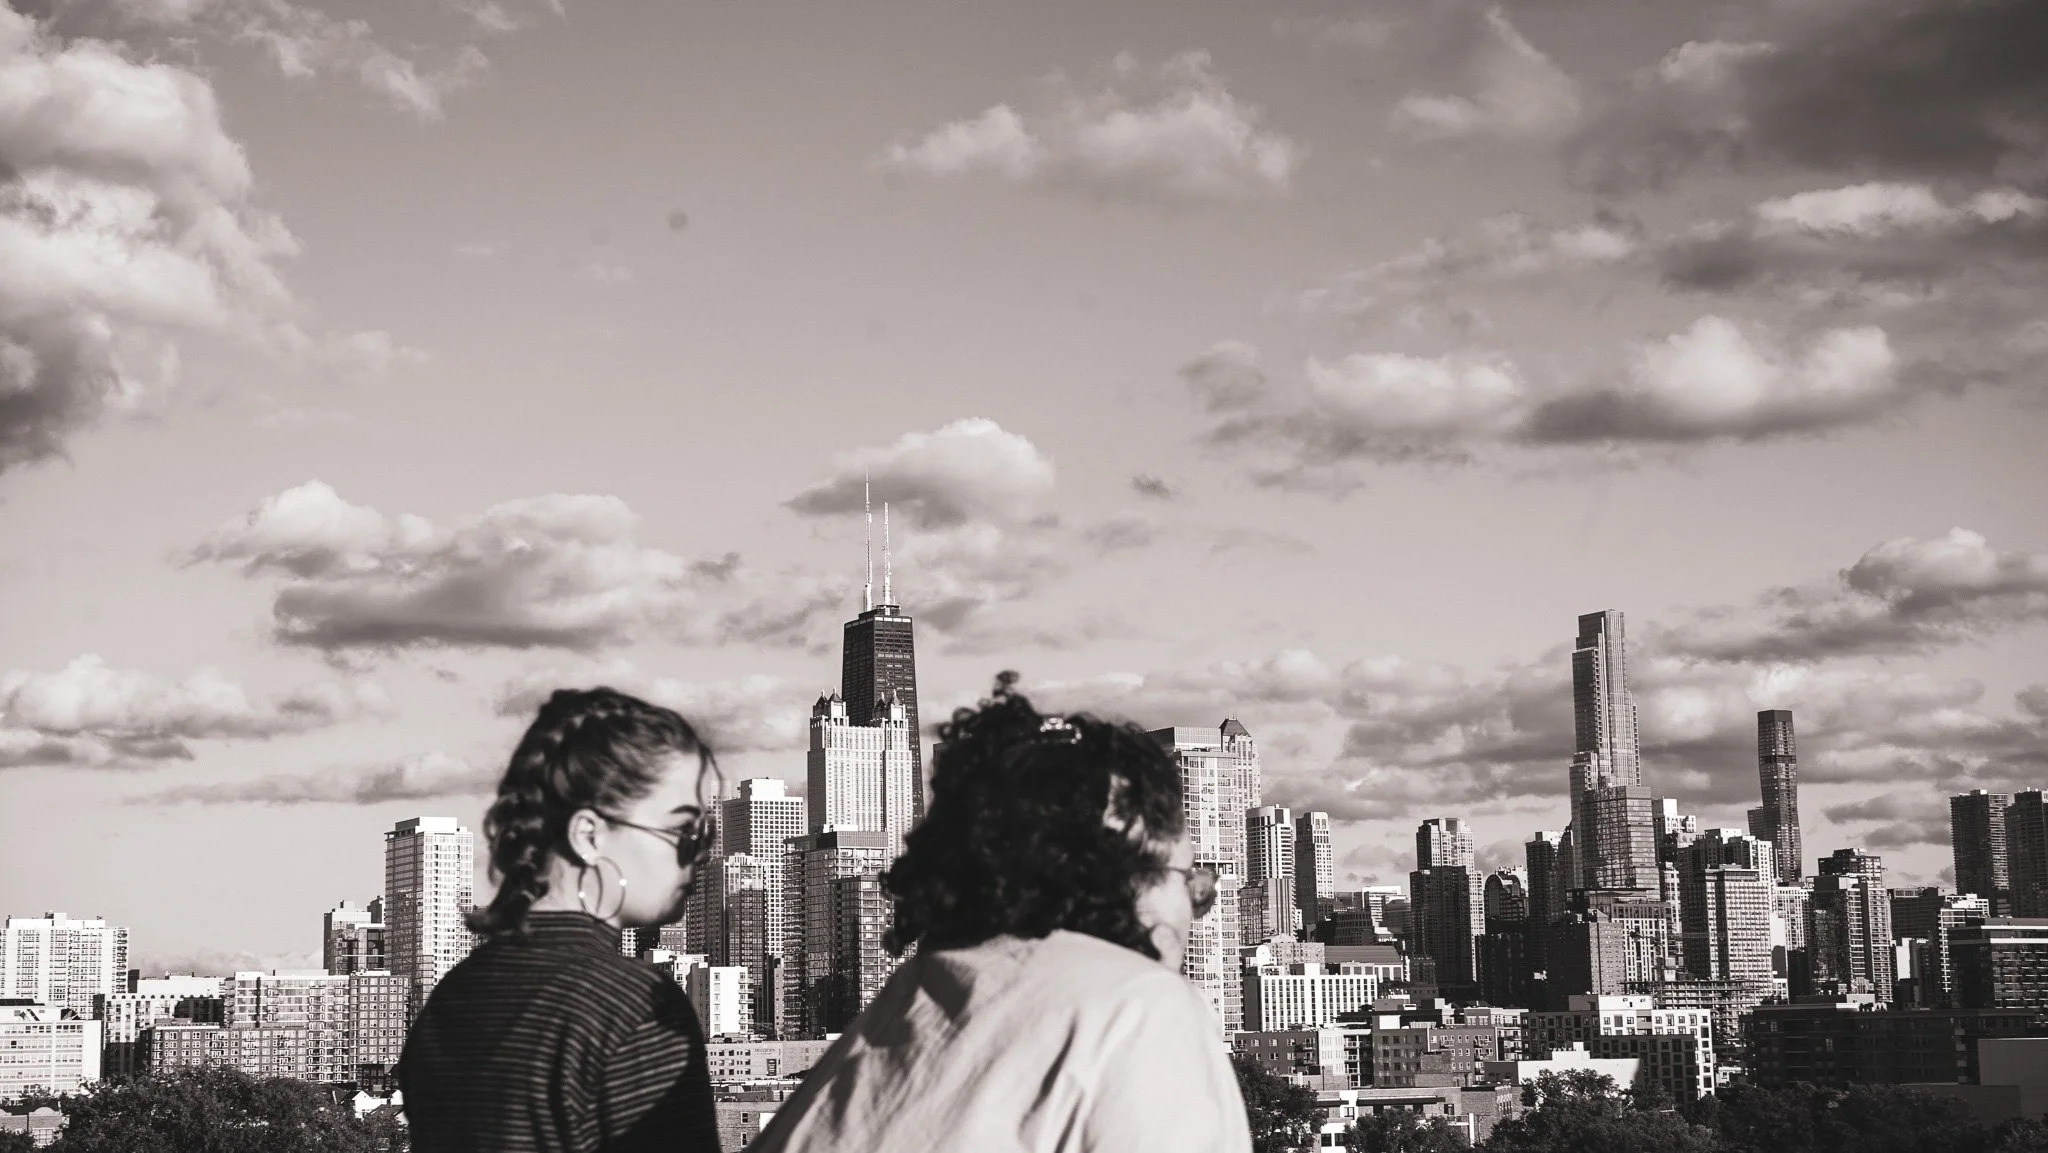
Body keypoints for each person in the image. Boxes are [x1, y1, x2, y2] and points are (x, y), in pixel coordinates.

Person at [750, 672, 1253, 1153]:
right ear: (1121, 877)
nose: (1193, 909)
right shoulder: (1140, 1007)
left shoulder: (898, 1012)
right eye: (1192, 882)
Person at [399, 687, 723, 1152]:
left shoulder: (453, 996)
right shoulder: (633, 1007)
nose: (700, 854)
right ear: (588, 835)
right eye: (683, 830)